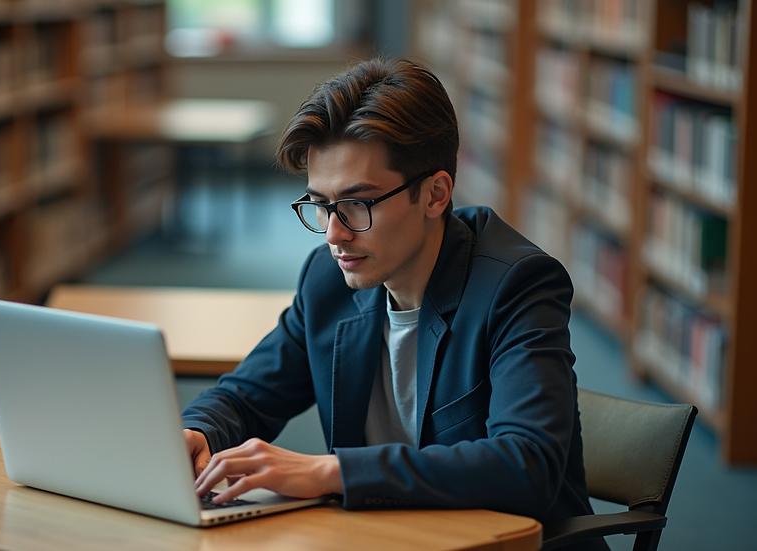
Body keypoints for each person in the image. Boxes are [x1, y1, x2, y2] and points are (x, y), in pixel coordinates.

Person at [181, 57, 606, 550]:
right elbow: (245, 396)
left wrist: (333, 472)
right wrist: (199, 432)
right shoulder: (328, 280)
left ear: (435, 194)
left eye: (358, 204)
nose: (334, 234)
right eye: (320, 204)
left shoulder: (517, 286)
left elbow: (527, 465)